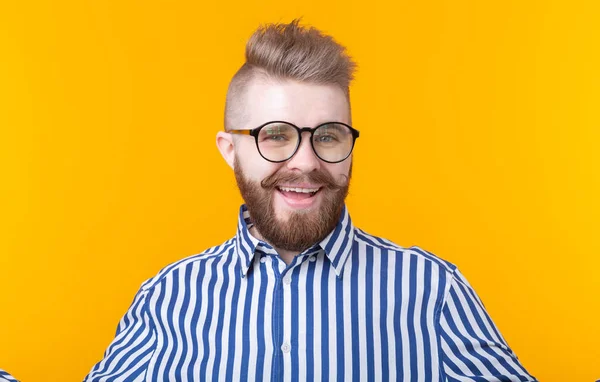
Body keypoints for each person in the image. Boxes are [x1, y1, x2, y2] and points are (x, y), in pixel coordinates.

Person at [85, 20, 536, 381]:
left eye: (328, 136)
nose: (305, 162)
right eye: (276, 135)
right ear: (229, 150)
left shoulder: (432, 291)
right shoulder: (168, 297)